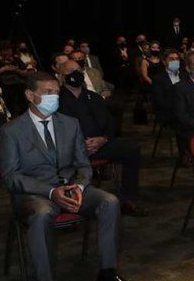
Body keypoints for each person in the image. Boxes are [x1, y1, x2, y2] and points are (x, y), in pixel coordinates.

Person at [0, 71, 140, 281]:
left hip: (71, 188)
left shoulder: (69, 123)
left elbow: (84, 165)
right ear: (31, 96)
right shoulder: (11, 131)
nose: (55, 97)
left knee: (110, 201)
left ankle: (107, 272)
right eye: (48, 93)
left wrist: (79, 186)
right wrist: (51, 191)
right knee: (42, 214)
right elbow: (11, 177)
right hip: (36, 194)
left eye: (56, 92)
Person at [57, 59, 145, 215]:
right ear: (61, 76)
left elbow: (110, 123)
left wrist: (103, 139)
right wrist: (81, 145)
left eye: (78, 70)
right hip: (73, 150)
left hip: (99, 145)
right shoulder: (57, 101)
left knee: (132, 149)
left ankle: (128, 199)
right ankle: (69, 204)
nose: (75, 74)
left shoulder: (94, 97)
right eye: (70, 72)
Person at [151, 49, 182, 127]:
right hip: (169, 111)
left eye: (177, 59)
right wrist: (179, 107)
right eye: (171, 59)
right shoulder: (158, 79)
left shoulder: (185, 76)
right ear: (164, 62)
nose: (175, 61)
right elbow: (159, 101)